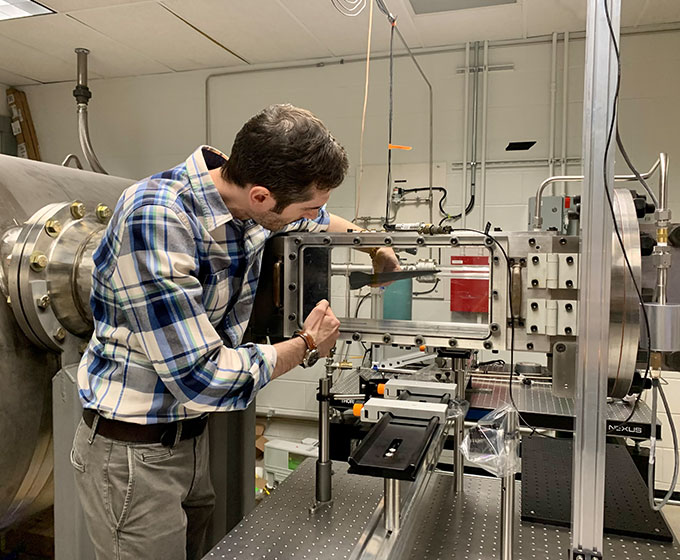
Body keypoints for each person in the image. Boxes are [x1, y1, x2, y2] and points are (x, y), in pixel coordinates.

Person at [70, 103, 400, 560]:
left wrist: (375, 246)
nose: (312, 217)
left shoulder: (242, 200)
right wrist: (305, 345)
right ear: (263, 197)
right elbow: (201, 378)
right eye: (306, 206)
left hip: (187, 438)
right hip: (133, 453)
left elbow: (319, 221)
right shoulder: (157, 217)